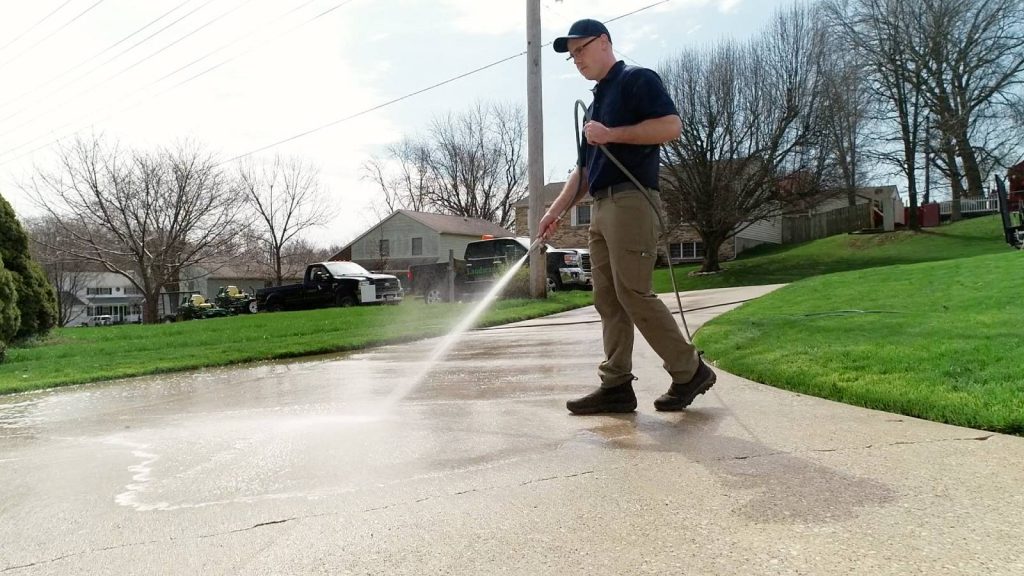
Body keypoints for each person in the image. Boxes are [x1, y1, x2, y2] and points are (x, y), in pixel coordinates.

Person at [540, 18, 716, 415]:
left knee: (633, 293)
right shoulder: (597, 101)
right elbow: (583, 172)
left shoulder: (637, 79)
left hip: (632, 201)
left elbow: (672, 126)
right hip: (601, 207)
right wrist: (554, 212)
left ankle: (690, 371)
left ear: (604, 42)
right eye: (572, 57)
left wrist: (611, 134)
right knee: (608, 300)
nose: (576, 60)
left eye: (580, 49)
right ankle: (616, 385)